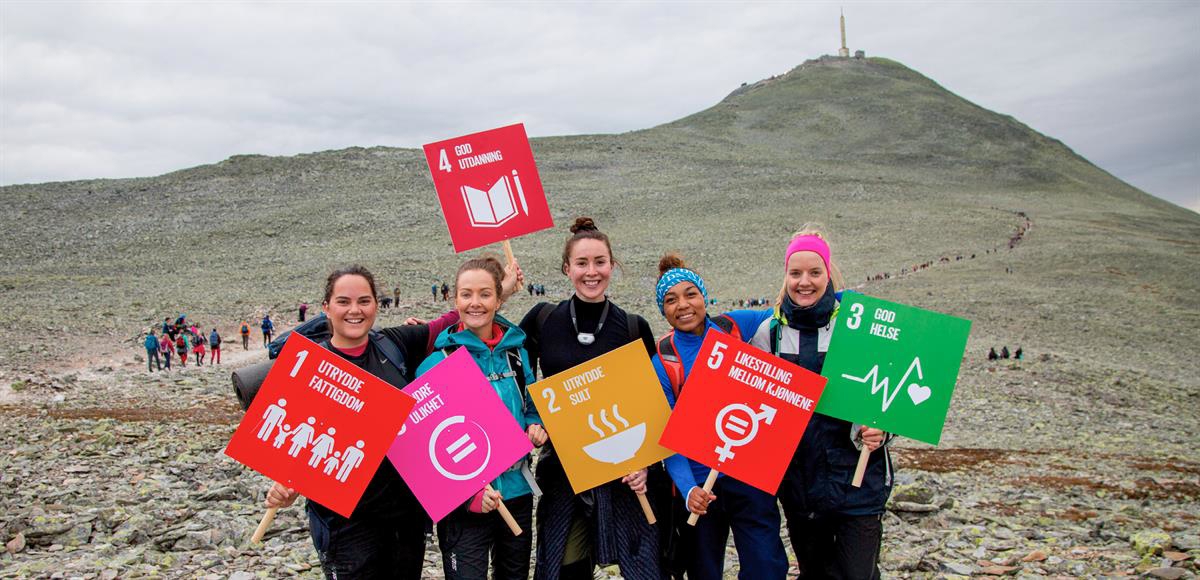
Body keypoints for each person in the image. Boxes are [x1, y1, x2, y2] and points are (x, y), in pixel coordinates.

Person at [264, 263, 523, 578]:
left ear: (375, 304)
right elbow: (294, 448)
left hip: (404, 518)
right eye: (343, 302)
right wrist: (285, 486)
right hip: (345, 525)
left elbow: (462, 316)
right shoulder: (309, 369)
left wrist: (502, 290)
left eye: (364, 301)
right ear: (326, 308)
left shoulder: (395, 344)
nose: (354, 310)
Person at [519, 217, 662, 580]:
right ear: (567, 269)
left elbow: (649, 403)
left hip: (623, 464)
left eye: (600, 262)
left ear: (612, 265)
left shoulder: (634, 327)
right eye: (582, 263)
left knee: (641, 567)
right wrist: (534, 417)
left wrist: (644, 465)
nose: (592, 272)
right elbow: (509, 369)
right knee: (563, 567)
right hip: (564, 470)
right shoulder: (543, 319)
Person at [746, 226, 892, 579]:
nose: (804, 282)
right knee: (815, 573)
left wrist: (882, 431)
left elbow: (887, 394)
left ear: (829, 273)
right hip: (801, 486)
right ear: (785, 276)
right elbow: (753, 404)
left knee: (857, 574)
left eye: (814, 272)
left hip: (859, 483)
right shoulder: (770, 334)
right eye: (795, 273)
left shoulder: (856, 329)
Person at [650, 253, 788, 580]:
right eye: (671, 300)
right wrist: (687, 491)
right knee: (703, 572)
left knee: (766, 567)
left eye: (690, 294)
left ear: (704, 296)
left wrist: (835, 294)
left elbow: (790, 314)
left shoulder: (735, 327)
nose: (683, 305)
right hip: (700, 486)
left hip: (750, 474)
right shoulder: (664, 361)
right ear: (663, 309)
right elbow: (668, 439)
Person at [417, 256, 545, 580]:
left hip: (516, 492)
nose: (475, 303)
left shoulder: (517, 355)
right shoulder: (437, 363)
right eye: (466, 294)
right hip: (464, 504)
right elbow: (423, 445)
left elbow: (531, 406)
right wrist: (469, 495)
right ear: (454, 299)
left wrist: (535, 425)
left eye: (485, 294)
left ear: (499, 298)